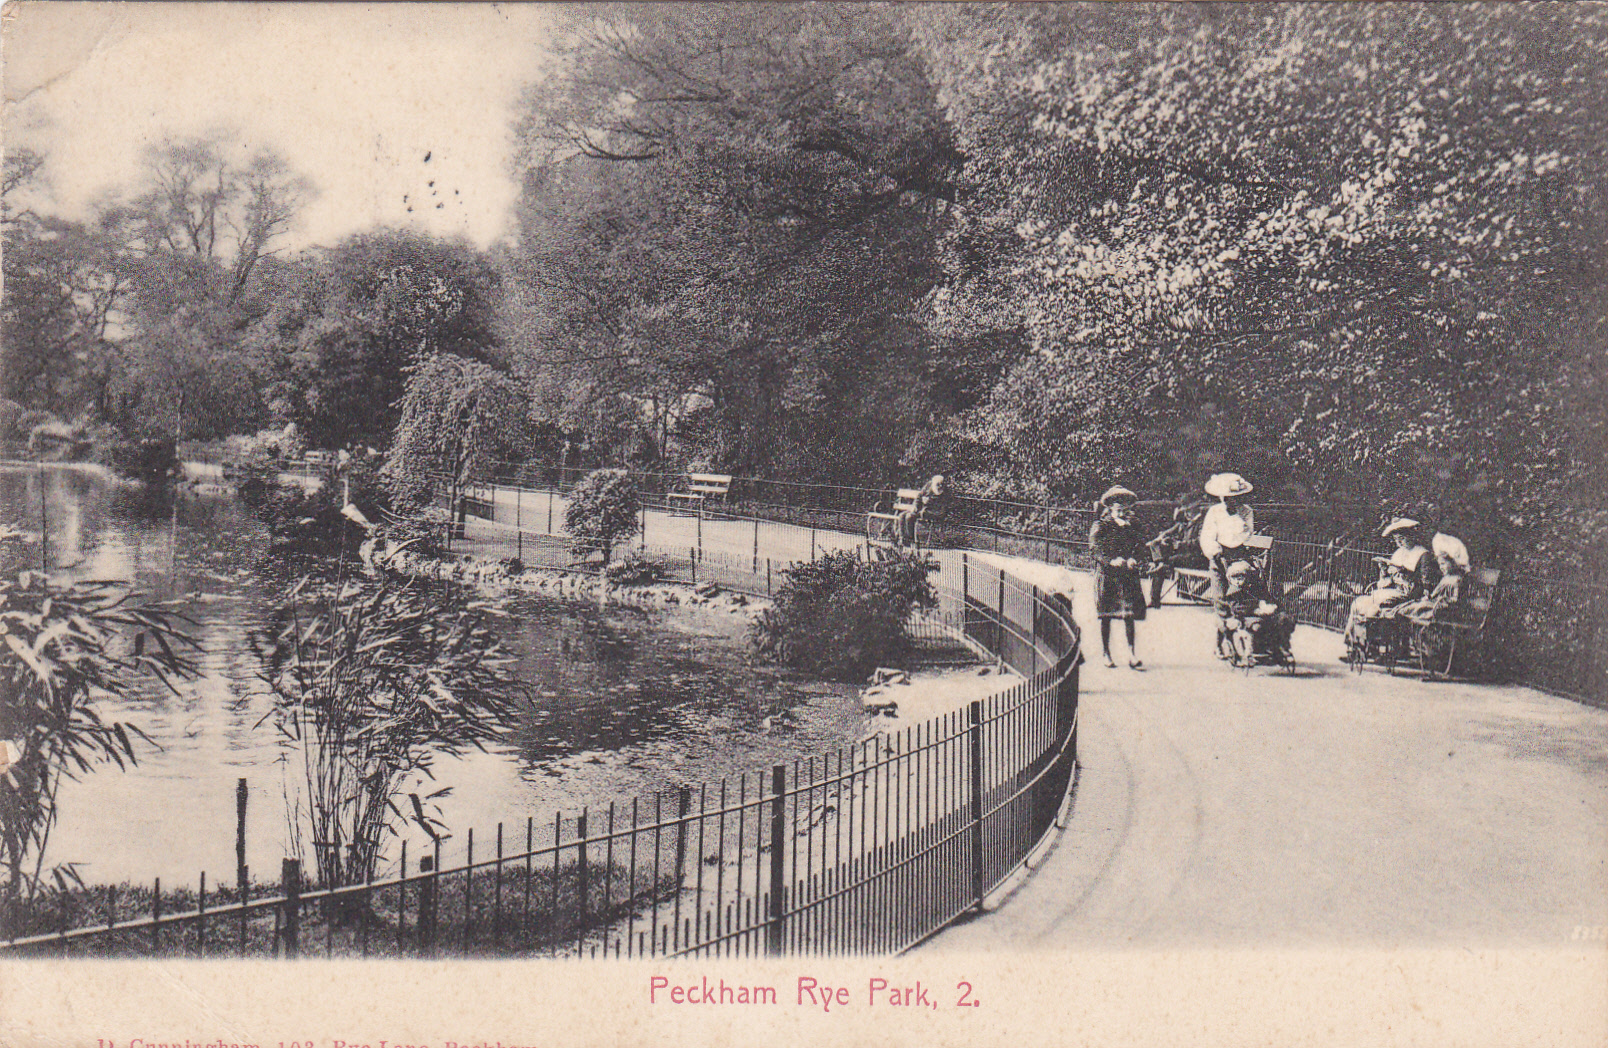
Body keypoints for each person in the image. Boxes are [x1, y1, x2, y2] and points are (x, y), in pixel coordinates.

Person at [1343, 517, 1442, 655]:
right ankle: (1355, 643)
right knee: (1358, 603)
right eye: (1396, 539)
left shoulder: (1422, 554)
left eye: (1402, 538)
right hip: (1394, 590)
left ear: (1411, 536)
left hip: (1410, 592)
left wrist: (1404, 572)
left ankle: (1374, 645)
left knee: (1377, 605)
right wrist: (1384, 569)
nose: (1399, 542)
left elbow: (1426, 581)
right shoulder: (1399, 553)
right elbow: (1388, 580)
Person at [1090, 485, 1149, 668]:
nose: (1122, 508)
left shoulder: (1133, 526)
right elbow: (1095, 548)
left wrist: (1134, 558)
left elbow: (1140, 546)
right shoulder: (1102, 525)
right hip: (1108, 575)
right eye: (1118, 504)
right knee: (1106, 615)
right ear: (1110, 506)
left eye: (1125, 505)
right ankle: (1106, 653)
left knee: (1128, 614)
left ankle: (1131, 653)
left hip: (1127, 576)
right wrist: (1110, 560)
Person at [1218, 559, 1295, 667]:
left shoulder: (1255, 587)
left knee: (1284, 619)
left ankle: (1281, 647)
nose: (1238, 581)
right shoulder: (1234, 592)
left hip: (1261, 614)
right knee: (1258, 626)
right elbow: (1237, 608)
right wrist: (1255, 609)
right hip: (1247, 616)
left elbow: (1266, 597)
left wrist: (1272, 606)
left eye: (1241, 577)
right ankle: (1259, 650)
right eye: (1235, 578)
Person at [1199, 473, 1256, 610]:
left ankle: (1238, 623)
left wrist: (1235, 516)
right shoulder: (1215, 511)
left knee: (1237, 596)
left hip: (1239, 557)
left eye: (1234, 498)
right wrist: (1215, 551)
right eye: (1226, 498)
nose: (1230, 501)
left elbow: (1246, 534)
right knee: (1219, 598)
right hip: (1219, 556)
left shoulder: (1246, 512)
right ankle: (1223, 625)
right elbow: (1207, 534)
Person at [1401, 530, 1472, 626]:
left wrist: (1442, 601)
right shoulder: (1445, 578)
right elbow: (1434, 594)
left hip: (1442, 608)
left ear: (1453, 563)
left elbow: (1456, 599)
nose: (1441, 567)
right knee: (1412, 606)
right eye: (1439, 564)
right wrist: (1428, 597)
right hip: (1433, 603)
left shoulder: (1456, 580)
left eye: (1443, 564)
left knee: (1416, 608)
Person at [897, 474, 950, 548]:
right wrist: (916, 505)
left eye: (941, 484)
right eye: (938, 484)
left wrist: (928, 501)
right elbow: (919, 496)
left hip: (935, 512)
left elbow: (942, 505)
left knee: (909, 517)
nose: (940, 486)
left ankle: (911, 540)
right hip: (923, 509)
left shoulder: (945, 492)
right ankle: (902, 538)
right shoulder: (928, 485)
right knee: (902, 515)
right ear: (933, 483)